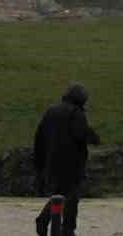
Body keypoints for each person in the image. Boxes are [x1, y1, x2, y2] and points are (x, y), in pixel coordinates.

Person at [33, 83, 99, 236]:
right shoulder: (76, 113)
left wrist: (39, 164)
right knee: (72, 195)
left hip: (51, 162)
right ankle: (66, 228)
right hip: (71, 162)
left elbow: (39, 138)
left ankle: (45, 222)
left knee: (60, 194)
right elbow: (80, 134)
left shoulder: (51, 111)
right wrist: (93, 137)